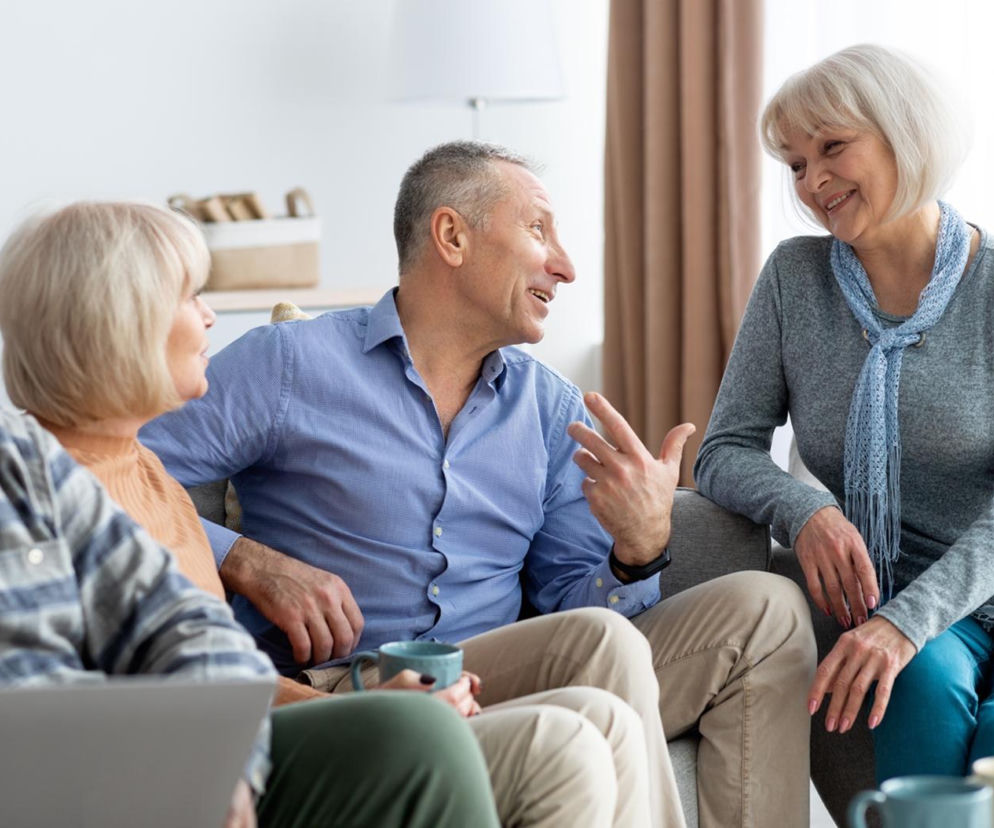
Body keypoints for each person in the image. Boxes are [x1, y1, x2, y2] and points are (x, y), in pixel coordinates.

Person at [142, 141, 816, 827]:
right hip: (344, 683)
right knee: (600, 642)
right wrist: (244, 560)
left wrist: (637, 551)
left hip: (500, 671)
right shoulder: (290, 364)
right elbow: (107, 480)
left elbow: (573, 600)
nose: (566, 266)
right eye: (537, 230)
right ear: (452, 236)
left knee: (770, 608)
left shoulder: (551, 411)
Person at [0, 200, 649, 827]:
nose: (210, 317)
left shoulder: (146, 479)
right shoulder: (44, 488)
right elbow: (51, 707)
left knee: (603, 713)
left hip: (242, 736)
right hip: (179, 763)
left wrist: (637, 548)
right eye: (190, 297)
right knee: (535, 742)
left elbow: (206, 661)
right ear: (119, 323)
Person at [694, 43, 994, 785]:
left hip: (966, 588)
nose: (813, 180)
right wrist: (808, 511)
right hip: (908, 616)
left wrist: (905, 621)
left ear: (904, 134)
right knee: (918, 683)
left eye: (832, 148)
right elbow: (724, 449)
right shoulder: (794, 281)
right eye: (795, 163)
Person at [0, 408, 500, 828]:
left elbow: (190, 628)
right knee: (458, 737)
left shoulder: (37, 459)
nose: (211, 317)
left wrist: (227, 752)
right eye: (189, 298)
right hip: (100, 763)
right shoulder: (61, 466)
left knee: (578, 646)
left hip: (213, 725)